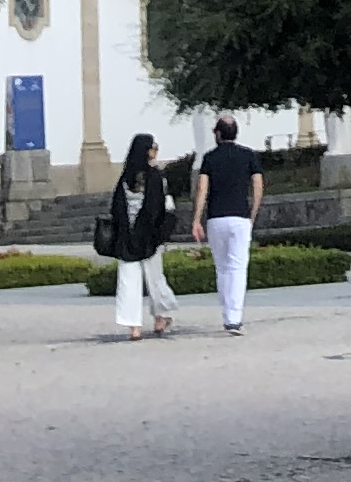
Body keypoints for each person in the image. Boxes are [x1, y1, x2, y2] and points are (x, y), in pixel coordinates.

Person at [193, 116, 267, 333]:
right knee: (237, 267)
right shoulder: (248, 155)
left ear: (218, 133)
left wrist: (197, 219)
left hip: (216, 217)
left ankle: (227, 313)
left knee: (222, 268)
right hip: (240, 217)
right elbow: (258, 186)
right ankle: (234, 317)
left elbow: (202, 190)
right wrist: (252, 212)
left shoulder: (209, 158)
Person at [105, 132, 177, 338]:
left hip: (127, 236)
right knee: (155, 278)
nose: (155, 151)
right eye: (153, 147)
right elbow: (162, 207)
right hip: (150, 236)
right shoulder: (156, 176)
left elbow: (116, 208)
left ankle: (134, 327)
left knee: (128, 281)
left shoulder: (125, 179)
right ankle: (160, 317)